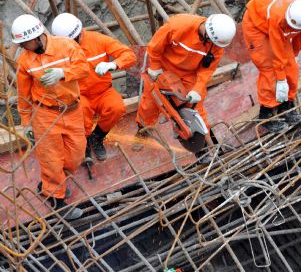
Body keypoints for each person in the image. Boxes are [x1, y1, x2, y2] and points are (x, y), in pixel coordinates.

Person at [12, 14, 89, 220]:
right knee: (51, 159)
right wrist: (26, 122)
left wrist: (62, 73)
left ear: (37, 37)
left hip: (72, 110)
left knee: (76, 155)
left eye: (24, 42)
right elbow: (23, 93)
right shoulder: (26, 60)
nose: (23, 46)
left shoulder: (66, 46)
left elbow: (84, 69)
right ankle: (57, 200)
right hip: (45, 114)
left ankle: (50, 183)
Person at [136, 13, 236, 159]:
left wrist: (198, 88)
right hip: (164, 68)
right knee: (151, 103)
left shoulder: (217, 44)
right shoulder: (178, 26)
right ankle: (142, 131)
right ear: (207, 32)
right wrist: (155, 67)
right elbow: (154, 46)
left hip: (190, 74)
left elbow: (207, 69)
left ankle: (203, 148)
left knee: (196, 109)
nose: (214, 47)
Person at [51, 13, 137, 161]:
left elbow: (129, 55)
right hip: (79, 94)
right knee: (80, 115)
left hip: (103, 91)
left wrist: (113, 64)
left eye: (76, 39)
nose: (74, 43)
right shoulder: (57, 49)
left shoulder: (98, 40)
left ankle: (97, 137)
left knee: (116, 108)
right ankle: (83, 143)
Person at [242, 0, 301, 133]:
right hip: (256, 25)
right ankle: (266, 114)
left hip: (277, 24)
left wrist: (293, 55)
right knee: (270, 69)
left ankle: (286, 107)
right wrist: (281, 78)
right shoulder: (278, 16)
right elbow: (277, 53)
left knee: (291, 67)